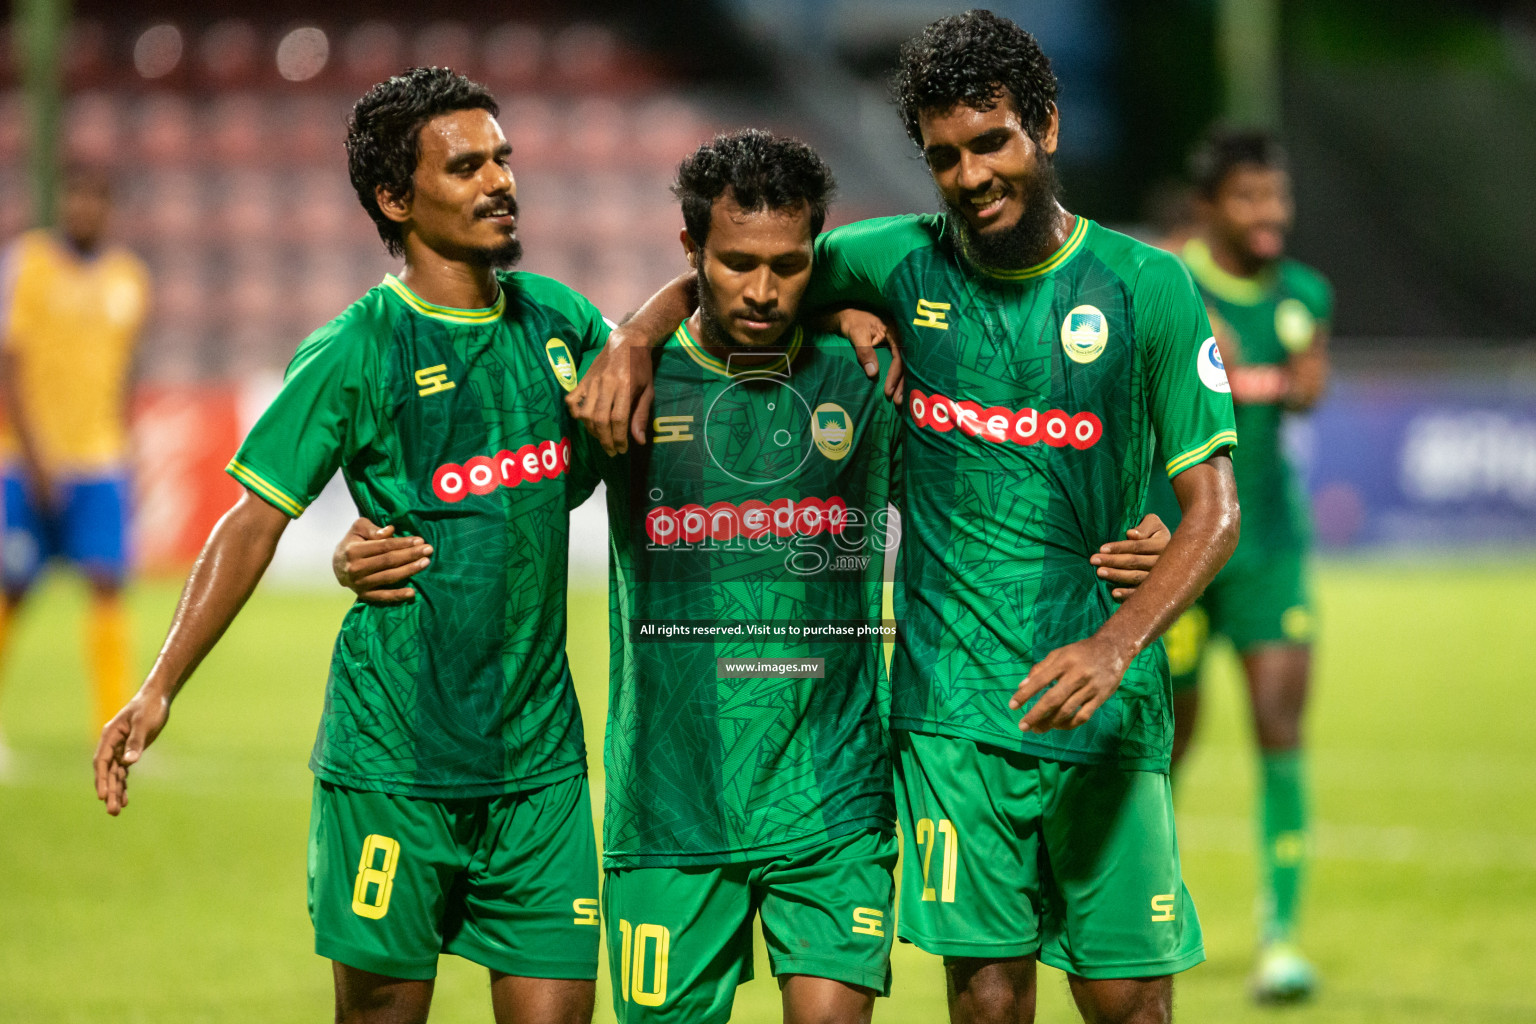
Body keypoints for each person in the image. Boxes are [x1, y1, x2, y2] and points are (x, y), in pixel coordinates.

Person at [338, 128, 1173, 1024]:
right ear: (691, 253)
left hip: (833, 806)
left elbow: (1006, 464)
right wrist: (378, 545)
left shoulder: (867, 374)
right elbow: (509, 494)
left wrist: (1150, 514)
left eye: (789, 264)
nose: (765, 291)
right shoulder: (632, 383)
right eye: (737, 263)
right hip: (667, 811)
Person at [568, 13, 1242, 1024]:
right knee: (984, 1000)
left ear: (1046, 127)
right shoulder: (894, 260)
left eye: (991, 142)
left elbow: (1215, 512)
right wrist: (633, 333)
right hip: (949, 713)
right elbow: (749, 267)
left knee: (1134, 1003)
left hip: (1109, 705)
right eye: (944, 158)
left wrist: (1116, 642)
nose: (970, 175)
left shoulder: (1151, 288)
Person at [90, 68, 682, 1023]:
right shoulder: (360, 347)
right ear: (394, 199)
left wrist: (643, 327)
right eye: (466, 166)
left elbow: (719, 287)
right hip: (393, 765)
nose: (500, 181)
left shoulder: (563, 322)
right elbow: (250, 520)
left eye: (503, 158)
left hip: (540, 773)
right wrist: (158, 685)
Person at [1145, 129, 1331, 1002]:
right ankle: (1141, 904)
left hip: (1268, 548)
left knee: (1279, 725)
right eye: (1251, 198)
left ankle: (1282, 940)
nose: (1270, 216)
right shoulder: (1165, 281)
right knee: (1163, 743)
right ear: (1212, 205)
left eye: (1278, 198)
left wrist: (1298, 373)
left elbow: (1309, 386)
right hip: (1177, 544)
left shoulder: (1303, 294)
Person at [0, 166, 150, 751]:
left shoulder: (129, 280)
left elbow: (126, 372)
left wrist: (124, 443)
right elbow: (10, 364)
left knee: (109, 585)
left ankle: (112, 731)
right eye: (77, 196)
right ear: (63, 201)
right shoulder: (28, 264)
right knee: (12, 588)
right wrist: (34, 457)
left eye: (96, 198)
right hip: (29, 461)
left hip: (100, 461)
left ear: (109, 208)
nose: (85, 208)